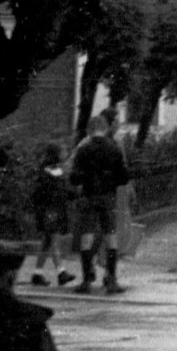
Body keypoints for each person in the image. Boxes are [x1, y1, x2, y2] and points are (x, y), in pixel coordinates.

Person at [67, 114, 130, 294]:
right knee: (111, 236)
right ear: (105, 128)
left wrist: (86, 178)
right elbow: (124, 177)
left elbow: (74, 177)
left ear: (89, 129)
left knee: (87, 237)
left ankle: (86, 281)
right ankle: (111, 280)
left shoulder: (83, 150)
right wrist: (111, 181)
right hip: (108, 197)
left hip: (88, 196)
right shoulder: (114, 148)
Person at [27, 144, 74, 288]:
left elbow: (63, 191)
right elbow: (46, 193)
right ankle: (61, 272)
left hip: (54, 210)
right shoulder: (47, 172)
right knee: (53, 239)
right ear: (56, 154)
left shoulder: (54, 171)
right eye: (62, 151)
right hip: (50, 210)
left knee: (47, 242)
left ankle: (37, 273)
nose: (65, 153)